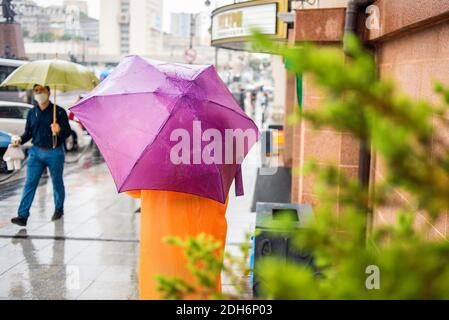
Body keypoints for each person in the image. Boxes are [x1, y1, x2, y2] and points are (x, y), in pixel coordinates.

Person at [10, 85, 71, 227]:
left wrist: (59, 130)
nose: (38, 94)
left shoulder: (59, 112)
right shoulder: (32, 113)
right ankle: (22, 215)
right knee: (29, 183)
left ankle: (59, 209)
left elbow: (67, 132)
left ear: (49, 93)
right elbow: (28, 132)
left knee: (57, 183)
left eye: (41, 91)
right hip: (36, 152)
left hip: (54, 152)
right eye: (36, 91)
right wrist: (19, 140)